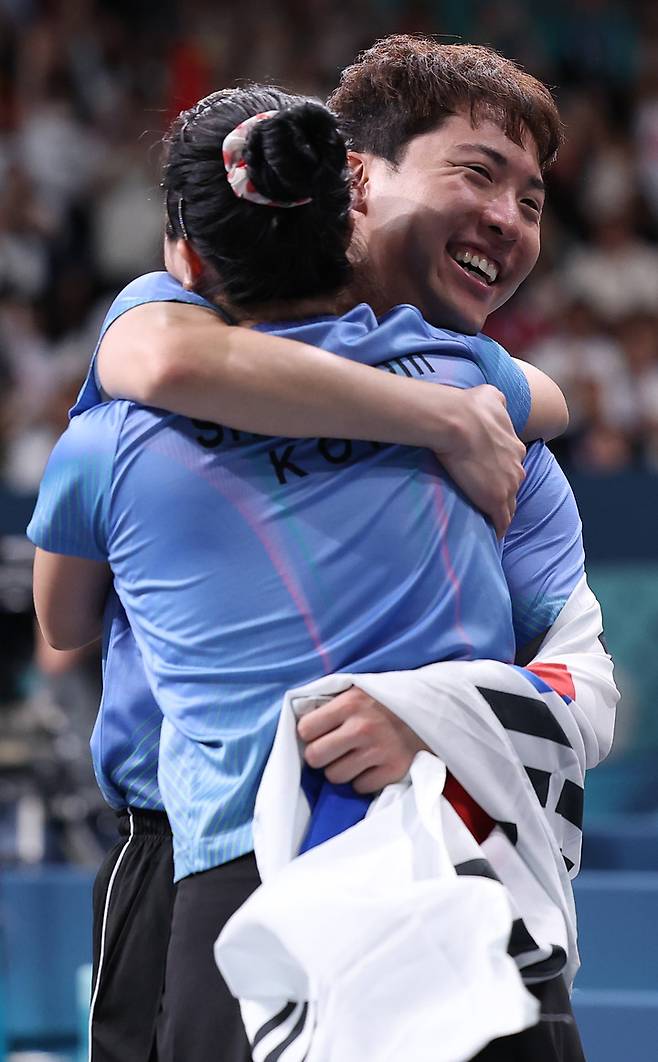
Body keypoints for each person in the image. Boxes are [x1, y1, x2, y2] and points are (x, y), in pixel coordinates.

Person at [29, 41, 611, 1062]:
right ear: (353, 180)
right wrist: (437, 415)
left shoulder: (503, 428)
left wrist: (436, 723)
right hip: (190, 859)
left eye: (531, 196)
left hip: (443, 843)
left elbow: (585, 685)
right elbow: (155, 354)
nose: (509, 220)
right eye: (474, 172)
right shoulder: (165, 339)